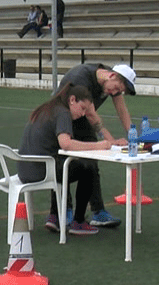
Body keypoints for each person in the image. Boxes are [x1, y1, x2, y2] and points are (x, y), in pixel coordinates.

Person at [18, 84, 115, 236]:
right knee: (87, 168)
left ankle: (55, 216)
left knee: (65, 164)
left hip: (24, 169)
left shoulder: (47, 108)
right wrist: (98, 145)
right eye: (82, 108)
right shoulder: (62, 113)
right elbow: (66, 143)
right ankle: (79, 221)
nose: (83, 114)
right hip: (41, 171)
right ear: (72, 100)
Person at [52, 62, 138, 228]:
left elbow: (121, 108)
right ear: (112, 76)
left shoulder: (110, 80)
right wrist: (110, 142)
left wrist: (132, 135)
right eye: (116, 88)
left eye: (118, 91)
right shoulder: (82, 78)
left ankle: (98, 212)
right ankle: (61, 211)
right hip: (61, 119)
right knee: (61, 161)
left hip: (81, 118)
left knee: (92, 163)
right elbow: (92, 116)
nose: (114, 92)